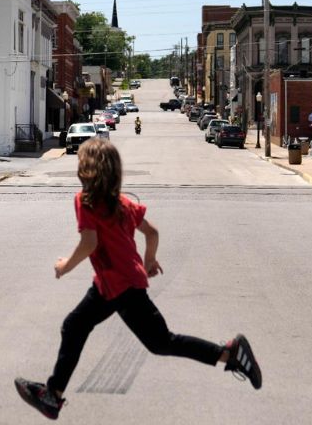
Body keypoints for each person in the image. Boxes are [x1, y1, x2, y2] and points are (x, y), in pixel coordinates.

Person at [15, 138, 262, 420]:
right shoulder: (122, 204)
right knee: (88, 329)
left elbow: (89, 243)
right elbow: (152, 232)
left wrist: (65, 266)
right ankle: (53, 394)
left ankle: (231, 353)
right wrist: (149, 260)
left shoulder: (85, 201)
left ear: (88, 170)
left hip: (119, 287)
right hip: (118, 284)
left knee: (151, 340)